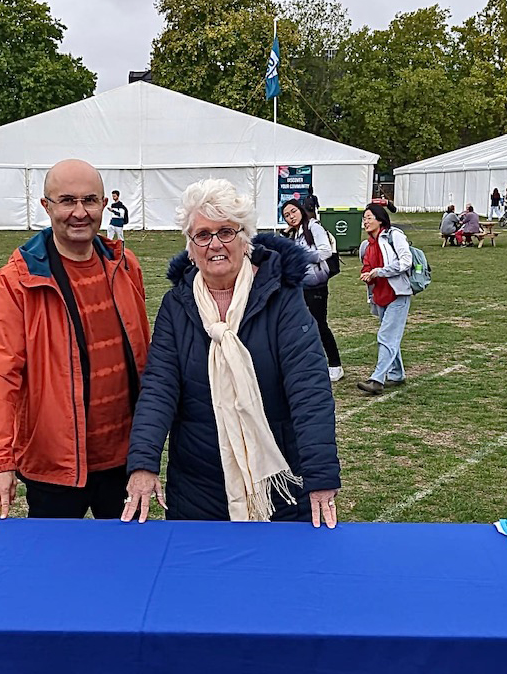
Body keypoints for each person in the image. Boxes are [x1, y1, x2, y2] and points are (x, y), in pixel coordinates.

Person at [122, 178, 340, 527]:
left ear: (245, 237)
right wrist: (144, 464)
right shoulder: (177, 305)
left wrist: (321, 477)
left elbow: (309, 389)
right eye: (203, 235)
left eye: (226, 232)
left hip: (278, 484)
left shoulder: (282, 298)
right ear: (190, 246)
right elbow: (159, 388)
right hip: (196, 485)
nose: (215, 244)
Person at [0, 159, 151, 521]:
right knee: (52, 572)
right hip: (54, 465)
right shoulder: (17, 281)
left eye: (90, 200)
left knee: (126, 568)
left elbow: (146, 359)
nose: (80, 212)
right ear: (46, 206)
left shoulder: (125, 265)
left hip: (123, 461)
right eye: (67, 200)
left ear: (105, 204)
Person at [282, 198, 343, 381]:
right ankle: (308, 363)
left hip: (316, 284)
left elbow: (326, 251)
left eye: (293, 211)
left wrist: (301, 256)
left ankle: (335, 365)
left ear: (301, 210)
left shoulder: (313, 227)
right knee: (300, 324)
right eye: (286, 215)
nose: (291, 217)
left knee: (319, 324)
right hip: (301, 284)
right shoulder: (296, 233)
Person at [356, 203, 412, 396]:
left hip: (398, 293)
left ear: (380, 219)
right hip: (379, 295)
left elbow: (406, 261)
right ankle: (396, 374)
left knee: (386, 336)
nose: (365, 221)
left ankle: (377, 379)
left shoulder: (394, 235)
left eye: (369, 217)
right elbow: (366, 265)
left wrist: (380, 272)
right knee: (390, 335)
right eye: (364, 218)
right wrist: (367, 274)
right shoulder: (367, 245)